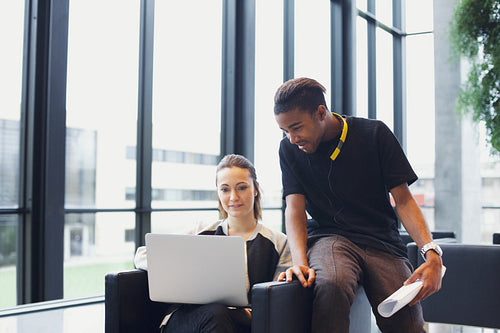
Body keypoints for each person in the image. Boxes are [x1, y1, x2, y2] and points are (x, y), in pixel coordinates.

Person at [273, 77, 444, 333]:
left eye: (296, 128)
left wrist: (432, 254)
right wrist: (299, 262)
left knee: (408, 323)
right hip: (331, 238)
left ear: (321, 113)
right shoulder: (288, 150)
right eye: (285, 131)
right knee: (332, 284)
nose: (292, 138)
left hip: (382, 243)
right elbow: (294, 210)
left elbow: (404, 201)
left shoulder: (375, 134)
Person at [134, 154, 292, 333]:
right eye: (225, 189)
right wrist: (181, 267)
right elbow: (142, 255)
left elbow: (277, 303)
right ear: (218, 193)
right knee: (215, 313)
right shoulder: (201, 231)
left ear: (255, 189)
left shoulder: (279, 242)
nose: (233, 197)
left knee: (218, 315)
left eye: (241, 187)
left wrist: (248, 313)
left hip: (240, 323)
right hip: (188, 320)